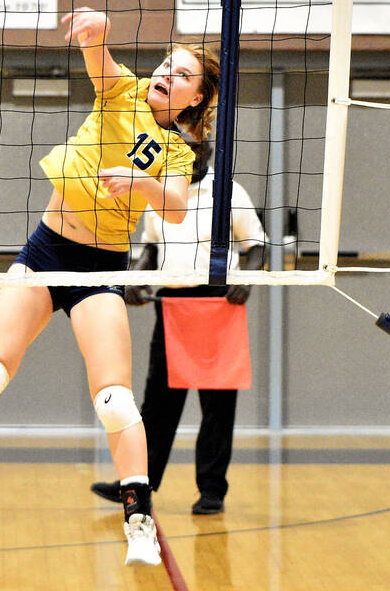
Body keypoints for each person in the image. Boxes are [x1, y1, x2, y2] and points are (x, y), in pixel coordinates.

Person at [0, 8, 220, 567]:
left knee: (113, 401)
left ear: (195, 100)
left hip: (100, 269)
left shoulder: (179, 152)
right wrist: (97, 32)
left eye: (182, 74)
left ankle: (138, 522)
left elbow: (179, 209)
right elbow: (99, 61)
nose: (166, 73)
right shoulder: (125, 92)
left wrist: (141, 181)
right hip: (46, 254)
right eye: (167, 63)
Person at [89, 137, 266, 515]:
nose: (190, 152)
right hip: (171, 305)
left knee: (218, 405)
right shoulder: (161, 192)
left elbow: (257, 246)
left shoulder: (229, 192)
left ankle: (212, 491)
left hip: (218, 306)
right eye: (182, 145)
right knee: (157, 405)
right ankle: (138, 486)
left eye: (197, 146)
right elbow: (151, 249)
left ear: (209, 150)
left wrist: (246, 280)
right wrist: (137, 279)